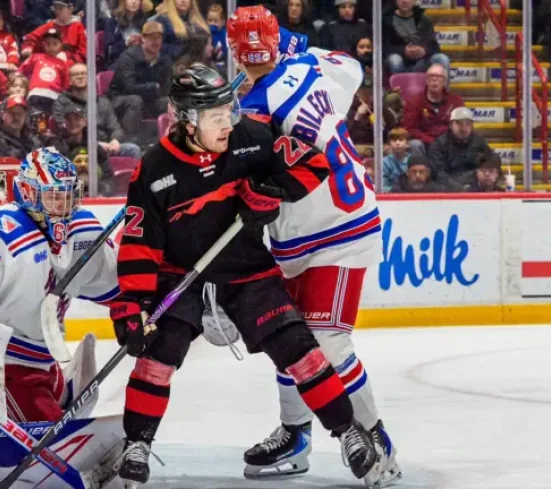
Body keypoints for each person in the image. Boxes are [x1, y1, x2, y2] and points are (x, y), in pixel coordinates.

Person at [109, 65, 380, 488]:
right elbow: (141, 246)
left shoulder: (250, 138)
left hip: (247, 270)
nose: (226, 122)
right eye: (215, 116)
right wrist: (132, 305)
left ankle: (349, 433)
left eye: (228, 111)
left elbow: (314, 162)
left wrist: (272, 193)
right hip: (182, 276)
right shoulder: (155, 168)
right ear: (185, 120)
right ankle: (137, 443)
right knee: (158, 355)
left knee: (301, 349)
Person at [227, 6, 398, 487]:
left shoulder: (255, 112)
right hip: (302, 231)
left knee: (327, 340)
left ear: (235, 52)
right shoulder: (315, 67)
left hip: (338, 231)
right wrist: (297, 43)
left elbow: (242, 164)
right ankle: (296, 434)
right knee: (290, 337)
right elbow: (354, 66)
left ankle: (373, 436)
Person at [0, 146, 126, 489]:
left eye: (68, 197)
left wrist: (140, 306)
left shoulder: (81, 228)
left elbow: (115, 285)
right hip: (7, 368)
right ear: (28, 193)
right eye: (53, 197)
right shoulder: (2, 233)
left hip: (45, 363)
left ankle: (60, 389)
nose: (63, 207)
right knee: (56, 450)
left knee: (61, 427)